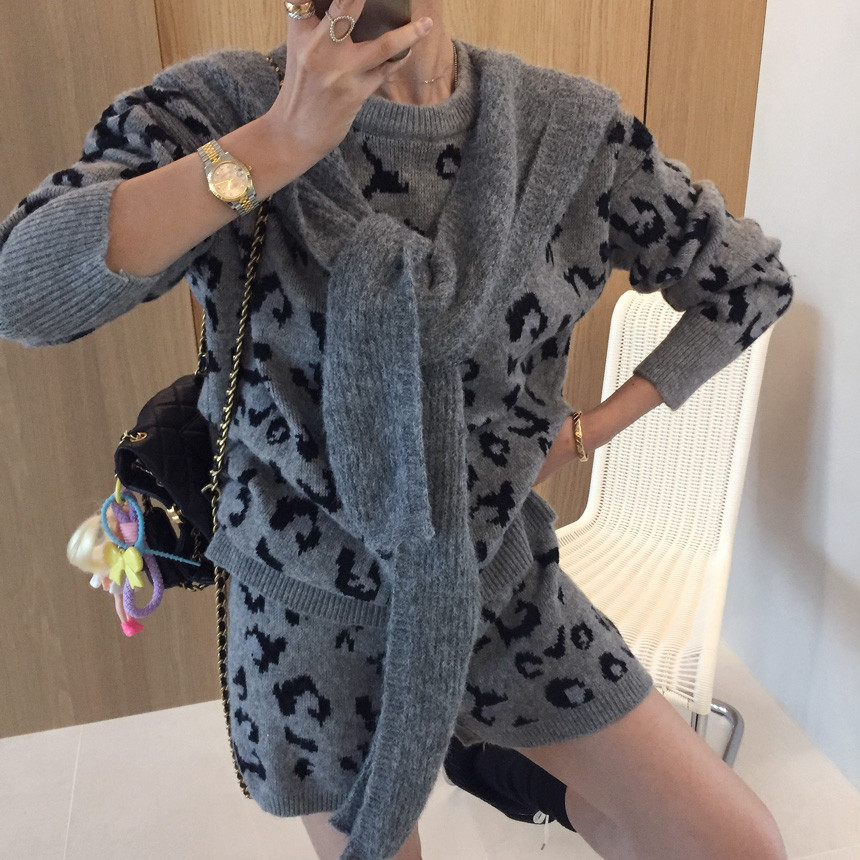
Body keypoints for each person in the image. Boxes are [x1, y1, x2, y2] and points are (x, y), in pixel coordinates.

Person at [0, 1, 793, 858]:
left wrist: (581, 436)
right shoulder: (219, 108)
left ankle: (484, 755)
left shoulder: (567, 134)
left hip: (493, 583)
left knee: (732, 842)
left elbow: (747, 283)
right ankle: (467, 753)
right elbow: (22, 291)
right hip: (303, 609)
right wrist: (276, 145)